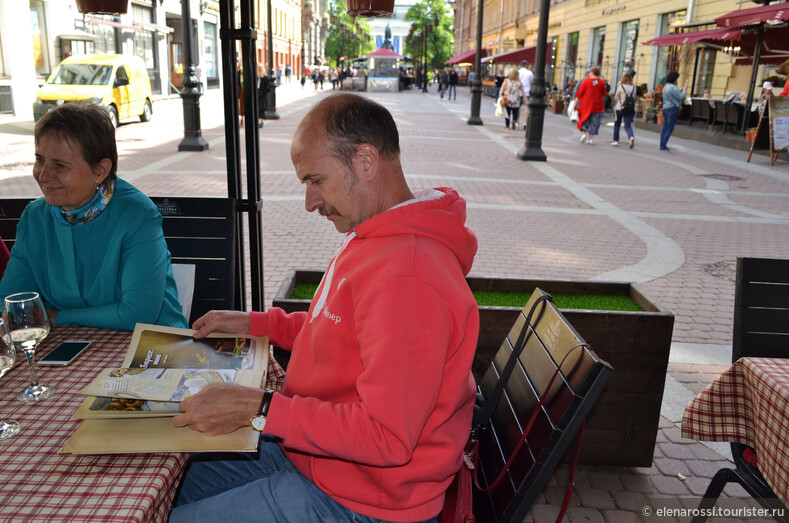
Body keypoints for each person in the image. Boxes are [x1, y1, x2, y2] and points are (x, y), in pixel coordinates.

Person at [168, 93, 479, 523]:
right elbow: (335, 330)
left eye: (316, 180)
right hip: (321, 458)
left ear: (365, 162)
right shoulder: (377, 233)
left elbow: (386, 437)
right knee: (168, 489)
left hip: (368, 500)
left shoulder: (408, 276)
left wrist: (258, 407)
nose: (311, 202)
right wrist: (259, 323)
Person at [0, 103, 187, 331]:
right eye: (40, 159)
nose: (44, 174)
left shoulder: (137, 216)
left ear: (100, 170)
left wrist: (59, 317)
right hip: (67, 346)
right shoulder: (34, 218)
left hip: (151, 348)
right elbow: (11, 302)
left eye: (60, 165)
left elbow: (138, 315)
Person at [575, 66, 607, 145]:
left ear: (592, 72)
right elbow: (604, 94)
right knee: (595, 122)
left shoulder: (586, 81)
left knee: (583, 119)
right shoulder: (601, 82)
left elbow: (579, 94)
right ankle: (591, 139)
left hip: (585, 104)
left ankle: (583, 134)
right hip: (597, 105)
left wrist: (575, 104)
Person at [659, 71, 686, 152]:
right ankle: (663, 146)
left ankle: (662, 145)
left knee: (665, 128)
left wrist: (679, 90)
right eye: (677, 78)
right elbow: (680, 97)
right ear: (674, 79)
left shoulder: (666, 87)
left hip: (665, 108)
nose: (677, 80)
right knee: (670, 129)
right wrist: (684, 90)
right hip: (672, 109)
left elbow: (673, 95)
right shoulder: (673, 87)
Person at [611, 73, 637, 149]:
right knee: (628, 125)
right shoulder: (634, 88)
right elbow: (634, 97)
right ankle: (631, 137)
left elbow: (616, 97)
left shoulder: (620, 87)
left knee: (617, 124)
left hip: (620, 107)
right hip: (630, 108)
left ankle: (615, 141)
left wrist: (621, 99)